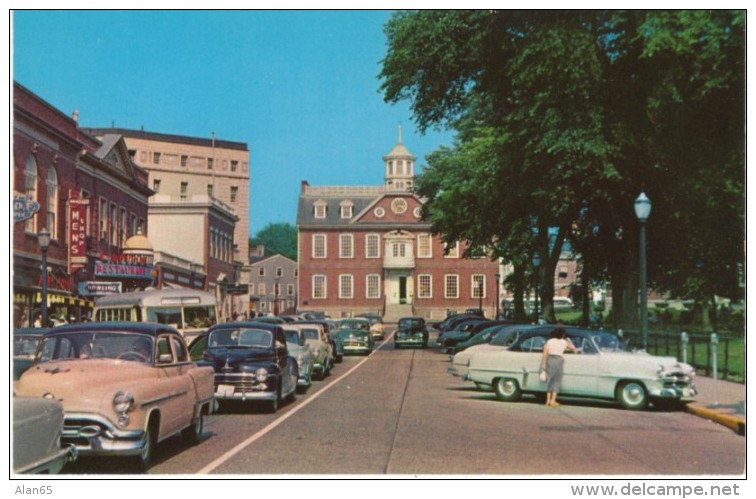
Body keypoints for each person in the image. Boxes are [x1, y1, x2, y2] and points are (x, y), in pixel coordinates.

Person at [540, 327, 577, 407]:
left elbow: (544, 354)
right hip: (558, 360)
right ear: (562, 334)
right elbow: (574, 349)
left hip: (549, 360)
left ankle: (548, 401)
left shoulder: (549, 341)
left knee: (549, 380)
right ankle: (553, 400)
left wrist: (543, 365)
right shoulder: (564, 342)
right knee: (557, 380)